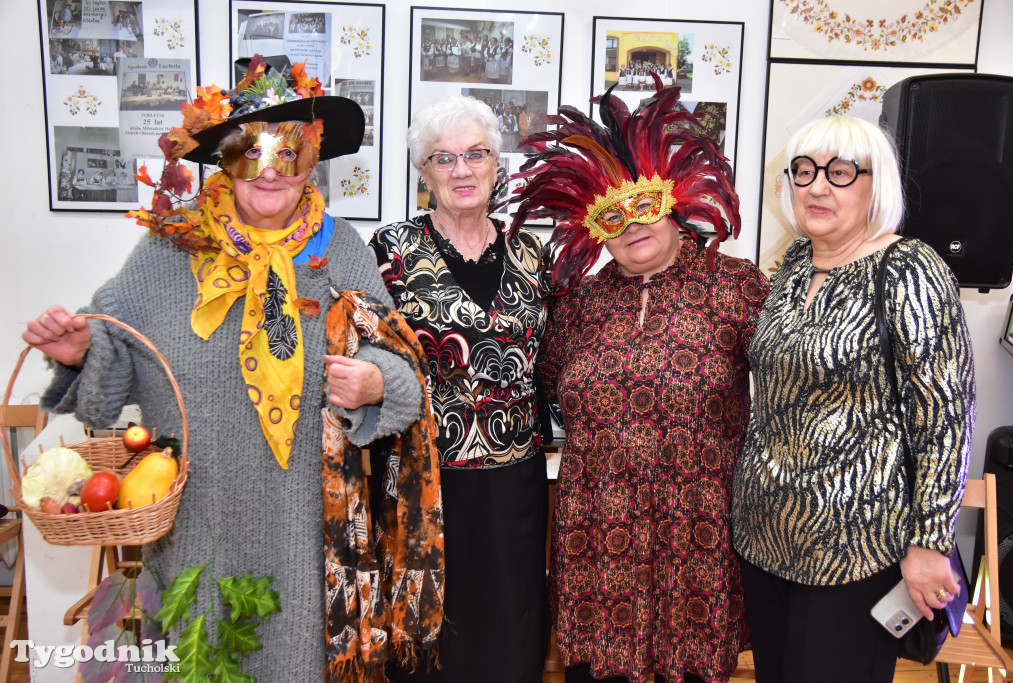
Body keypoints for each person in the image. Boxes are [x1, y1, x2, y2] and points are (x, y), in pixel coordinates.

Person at [23, 59, 431, 681]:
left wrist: (374, 382)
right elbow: (113, 345)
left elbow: (396, 361)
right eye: (249, 150)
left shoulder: (339, 249)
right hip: (196, 528)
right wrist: (80, 348)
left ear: (313, 160)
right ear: (222, 159)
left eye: (289, 150)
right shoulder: (170, 247)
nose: (269, 169)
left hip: (304, 532)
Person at [510, 81, 767, 683]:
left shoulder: (738, 286)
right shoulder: (579, 302)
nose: (630, 225)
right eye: (611, 215)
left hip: (698, 532)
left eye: (643, 205)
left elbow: (788, 388)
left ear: (673, 201)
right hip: (597, 531)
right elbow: (548, 384)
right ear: (593, 229)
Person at [730, 116, 975, 683]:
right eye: (804, 171)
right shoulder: (796, 262)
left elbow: (945, 417)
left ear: (875, 184)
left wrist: (930, 543)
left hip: (856, 546)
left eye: (840, 172)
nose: (817, 186)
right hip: (765, 538)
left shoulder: (909, 268)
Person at [369, 94, 550, 682]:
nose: (462, 170)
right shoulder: (390, 251)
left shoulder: (532, 252)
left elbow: (554, 358)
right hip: (423, 480)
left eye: (475, 154)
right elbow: (365, 355)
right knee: (429, 635)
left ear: (497, 164)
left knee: (511, 633)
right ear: (423, 174)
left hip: (515, 483)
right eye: (442, 159)